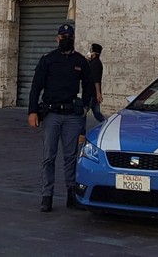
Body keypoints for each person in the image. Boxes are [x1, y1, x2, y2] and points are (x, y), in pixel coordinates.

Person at [28, 22, 94, 213]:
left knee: (70, 157)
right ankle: (46, 195)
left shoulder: (80, 61)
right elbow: (35, 88)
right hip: (52, 115)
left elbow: (89, 84)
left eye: (69, 37)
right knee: (49, 156)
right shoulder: (48, 60)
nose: (66, 40)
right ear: (57, 39)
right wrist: (32, 112)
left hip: (72, 115)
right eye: (63, 37)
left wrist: (86, 106)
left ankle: (71, 194)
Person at [86, 43, 105, 123]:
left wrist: (98, 93)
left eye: (91, 50)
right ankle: (105, 123)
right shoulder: (94, 62)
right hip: (94, 93)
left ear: (94, 53)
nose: (89, 52)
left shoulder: (95, 64)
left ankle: (81, 132)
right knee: (97, 113)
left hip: (91, 93)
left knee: (83, 112)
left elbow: (96, 79)